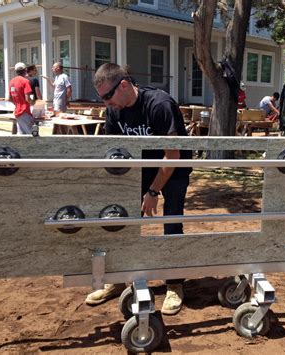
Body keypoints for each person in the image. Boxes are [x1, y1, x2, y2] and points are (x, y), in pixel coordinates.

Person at [86, 63, 192, 316]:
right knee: (122, 219)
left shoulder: (159, 104)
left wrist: (153, 192)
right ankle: (118, 278)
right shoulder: (114, 111)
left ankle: (174, 283)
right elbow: (115, 154)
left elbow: (172, 155)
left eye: (107, 97)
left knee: (172, 221)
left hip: (173, 168)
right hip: (140, 169)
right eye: (101, 99)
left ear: (123, 85)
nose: (106, 104)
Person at [8, 62, 35, 135]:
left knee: (21, 135)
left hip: (17, 113)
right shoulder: (25, 81)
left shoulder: (11, 82)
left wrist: (17, 104)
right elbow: (28, 99)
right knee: (32, 135)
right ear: (25, 70)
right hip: (25, 111)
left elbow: (10, 98)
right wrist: (36, 104)